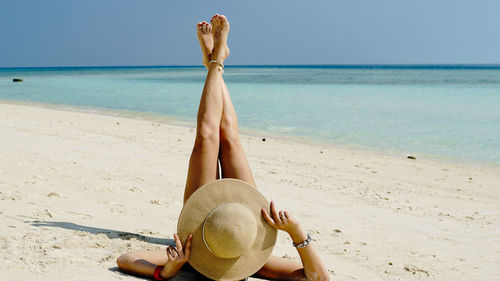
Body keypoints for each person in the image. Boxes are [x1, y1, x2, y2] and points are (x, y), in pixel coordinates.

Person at [116, 14, 329, 281]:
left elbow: (125, 259)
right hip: (246, 217)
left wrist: (168, 270)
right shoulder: (253, 260)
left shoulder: (193, 257)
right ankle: (215, 60)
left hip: (201, 223)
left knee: (207, 137)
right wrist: (297, 233)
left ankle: (215, 61)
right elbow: (319, 279)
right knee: (228, 137)